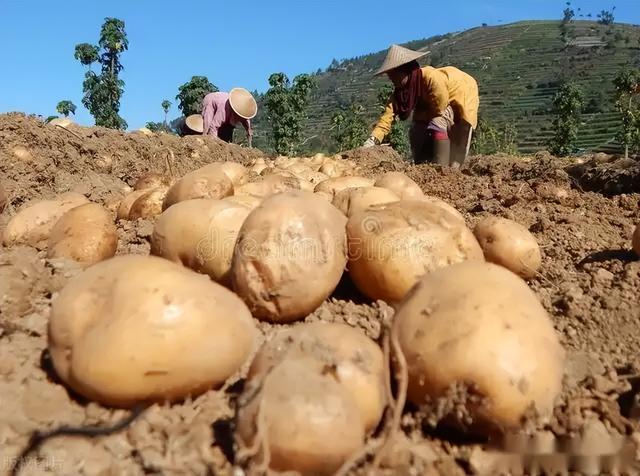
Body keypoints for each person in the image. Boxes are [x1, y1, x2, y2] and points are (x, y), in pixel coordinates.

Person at [363, 44, 479, 167]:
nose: (390, 77)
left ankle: (444, 169)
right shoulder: (400, 94)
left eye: (394, 73)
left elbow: (440, 105)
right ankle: (421, 166)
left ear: (405, 70)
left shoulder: (431, 77)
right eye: (389, 74)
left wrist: (427, 120)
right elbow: (386, 119)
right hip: (434, 107)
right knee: (415, 130)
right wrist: (372, 140)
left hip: (460, 94)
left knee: (443, 126)